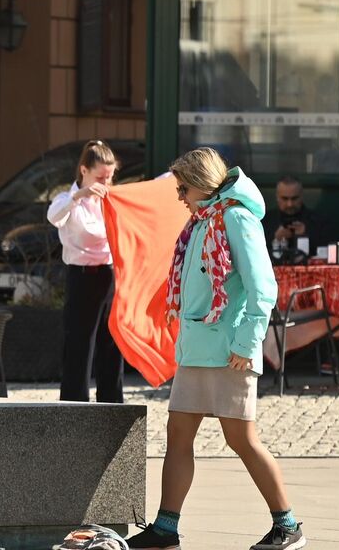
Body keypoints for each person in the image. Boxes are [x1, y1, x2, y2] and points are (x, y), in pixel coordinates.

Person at [126, 148, 304, 550]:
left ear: (202, 183)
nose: (179, 196)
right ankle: (165, 529)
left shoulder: (237, 219)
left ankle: (288, 525)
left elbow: (264, 290)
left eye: (183, 187)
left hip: (230, 351)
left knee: (241, 439)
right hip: (197, 350)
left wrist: (246, 344)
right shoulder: (202, 221)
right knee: (178, 434)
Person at [46, 140, 125, 403]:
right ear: (84, 171)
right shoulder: (68, 200)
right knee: (79, 345)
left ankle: (112, 403)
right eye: (100, 177)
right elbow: (53, 216)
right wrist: (80, 195)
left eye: (110, 177)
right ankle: (74, 405)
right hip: (82, 276)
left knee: (113, 343)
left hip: (110, 275)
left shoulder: (111, 199)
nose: (105, 182)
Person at [260, 175, 329, 256]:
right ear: (277, 197)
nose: (290, 204)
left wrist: (305, 236)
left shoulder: (319, 222)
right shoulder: (265, 221)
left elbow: (327, 251)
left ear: (301, 196)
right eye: (285, 199)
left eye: (294, 198)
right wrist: (275, 239)